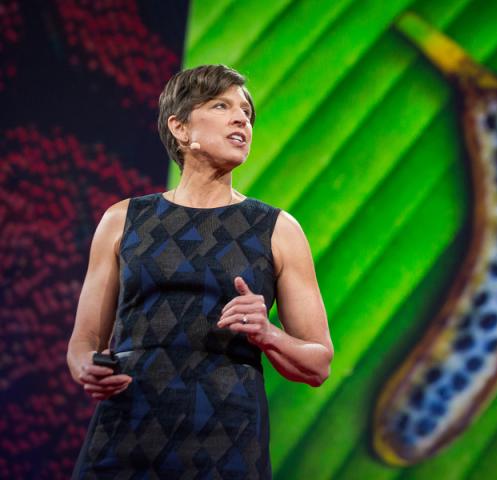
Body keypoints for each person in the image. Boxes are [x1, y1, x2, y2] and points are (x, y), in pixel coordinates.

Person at [67, 64, 334, 478]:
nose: (241, 118)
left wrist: (268, 333)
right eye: (221, 106)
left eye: (246, 112)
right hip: (125, 435)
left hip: (226, 444)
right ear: (179, 127)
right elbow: (84, 341)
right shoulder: (122, 220)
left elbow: (318, 363)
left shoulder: (278, 229)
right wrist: (87, 366)